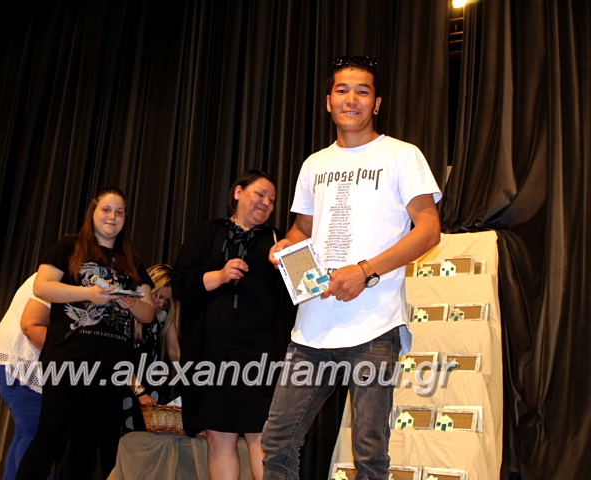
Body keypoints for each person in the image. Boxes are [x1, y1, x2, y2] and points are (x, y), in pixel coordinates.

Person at [261, 55, 442, 480]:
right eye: (342, 90)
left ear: (376, 103)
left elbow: (429, 230)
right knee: (277, 442)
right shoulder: (314, 164)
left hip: (375, 326)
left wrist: (366, 270)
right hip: (313, 326)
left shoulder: (402, 155)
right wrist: (286, 247)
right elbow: (302, 230)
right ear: (328, 101)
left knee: (369, 454)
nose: (351, 99)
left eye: (362, 91)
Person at [15, 186, 156, 480]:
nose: (112, 217)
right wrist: (88, 294)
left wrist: (131, 303)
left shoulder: (132, 259)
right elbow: (42, 287)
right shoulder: (69, 246)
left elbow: (148, 313)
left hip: (111, 365)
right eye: (106, 210)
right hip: (70, 359)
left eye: (119, 212)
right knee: (51, 437)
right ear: (93, 212)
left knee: (87, 443)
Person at [172, 170, 285, 480]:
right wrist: (219, 276)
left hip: (263, 356)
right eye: (260, 194)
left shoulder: (278, 240)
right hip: (213, 352)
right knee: (219, 439)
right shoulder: (206, 233)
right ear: (237, 192)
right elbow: (179, 284)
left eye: (272, 200)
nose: (266, 203)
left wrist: (295, 254)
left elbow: (305, 288)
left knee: (264, 439)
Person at [0, 273, 51, 480]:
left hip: (12, 363)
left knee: (26, 432)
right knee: (35, 434)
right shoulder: (55, 278)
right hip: (19, 363)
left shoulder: (53, 276)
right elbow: (31, 327)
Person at [120, 263, 181, 431]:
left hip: (150, 384)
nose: (161, 304)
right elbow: (121, 360)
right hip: (127, 383)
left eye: (166, 300)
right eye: (157, 296)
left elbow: (174, 352)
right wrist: (139, 391)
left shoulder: (162, 316)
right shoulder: (126, 313)